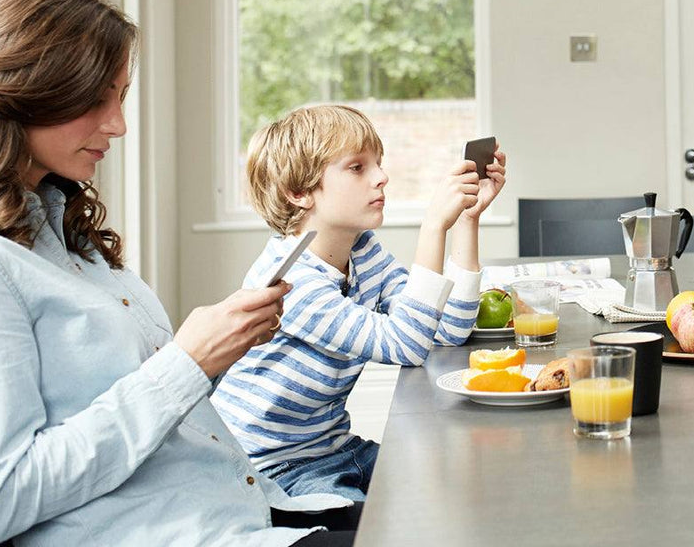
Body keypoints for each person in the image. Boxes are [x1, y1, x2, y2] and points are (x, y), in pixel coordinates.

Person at [0, 0, 358, 546]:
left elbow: (143, 407)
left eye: (121, 96)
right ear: (24, 91)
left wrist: (219, 350)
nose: (118, 124)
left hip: (242, 514)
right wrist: (188, 360)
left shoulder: (57, 229)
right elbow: (2, 497)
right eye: (96, 99)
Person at [211, 105, 504, 499]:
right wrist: (434, 226)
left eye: (378, 164)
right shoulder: (291, 282)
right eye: (357, 167)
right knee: (389, 524)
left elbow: (447, 330)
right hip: (275, 468)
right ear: (298, 193)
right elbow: (407, 345)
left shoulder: (363, 251)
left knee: (457, 478)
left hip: (337, 447)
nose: (382, 177)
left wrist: (467, 219)